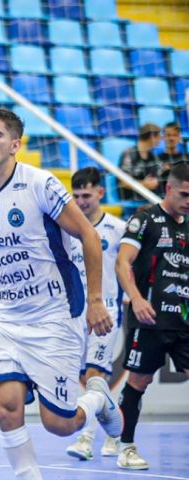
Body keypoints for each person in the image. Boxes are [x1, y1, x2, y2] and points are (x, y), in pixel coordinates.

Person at [0, 108, 122, 480]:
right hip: (7, 318)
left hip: (55, 314)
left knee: (60, 425)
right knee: (5, 407)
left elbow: (89, 236)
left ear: (15, 145)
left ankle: (97, 398)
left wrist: (96, 299)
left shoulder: (39, 184)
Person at [113, 163, 189, 470]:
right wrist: (137, 299)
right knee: (138, 381)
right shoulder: (145, 219)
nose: (188, 200)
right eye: (184, 194)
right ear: (169, 188)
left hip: (183, 322)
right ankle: (125, 446)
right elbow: (122, 263)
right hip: (149, 320)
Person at [64, 167, 126, 461]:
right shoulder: (67, 228)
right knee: (85, 379)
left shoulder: (117, 229)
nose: (81, 201)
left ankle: (86, 439)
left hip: (106, 311)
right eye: (76, 196)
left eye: (86, 195)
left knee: (94, 376)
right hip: (75, 315)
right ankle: (116, 432)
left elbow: (126, 269)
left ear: (101, 193)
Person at [119, 123, 163, 201]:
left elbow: (158, 178)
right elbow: (123, 183)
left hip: (151, 197)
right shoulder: (129, 154)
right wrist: (143, 184)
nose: (160, 139)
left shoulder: (153, 156)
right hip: (132, 198)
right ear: (152, 137)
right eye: (159, 137)